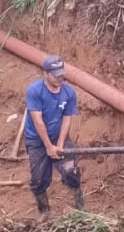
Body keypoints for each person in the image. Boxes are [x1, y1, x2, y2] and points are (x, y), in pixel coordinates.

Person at [24, 55, 84, 214]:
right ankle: (44, 212)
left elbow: (67, 119)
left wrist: (60, 144)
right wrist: (49, 147)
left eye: (62, 74)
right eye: (56, 75)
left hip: (59, 137)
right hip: (37, 141)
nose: (60, 78)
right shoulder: (34, 91)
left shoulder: (69, 93)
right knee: (38, 180)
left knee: (71, 172)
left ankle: (81, 207)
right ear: (45, 73)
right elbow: (38, 122)